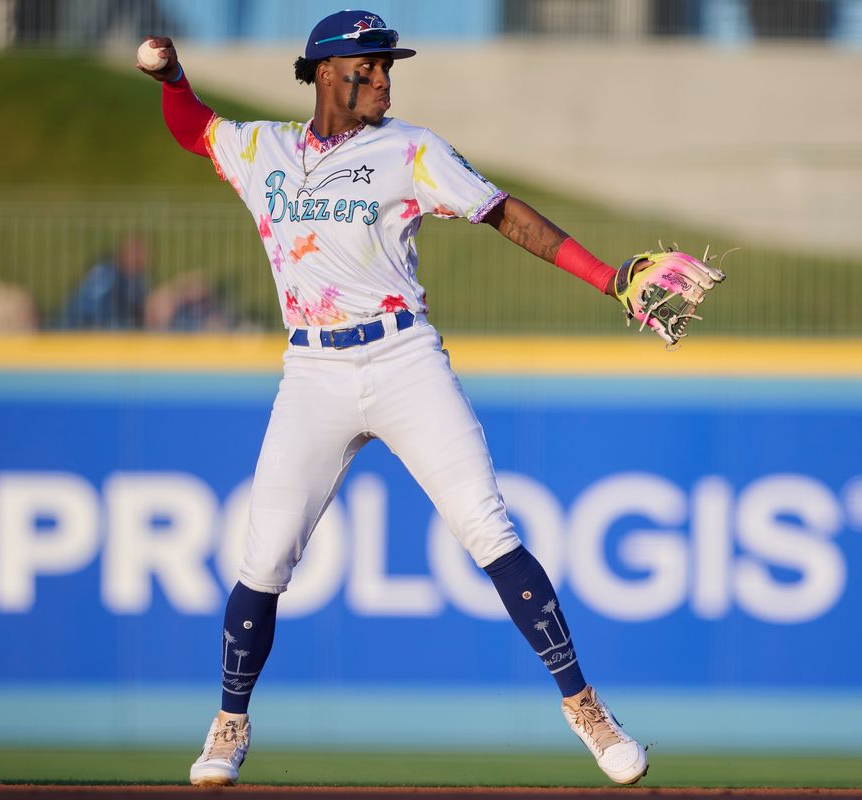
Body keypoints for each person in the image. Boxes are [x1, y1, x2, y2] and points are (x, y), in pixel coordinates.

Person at [140, 10, 648, 787]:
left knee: (488, 525)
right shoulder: (263, 150)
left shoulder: (410, 149)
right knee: (267, 552)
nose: (382, 78)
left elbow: (502, 212)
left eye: (387, 66)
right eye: (368, 66)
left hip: (402, 354)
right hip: (313, 371)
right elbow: (195, 129)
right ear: (322, 72)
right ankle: (230, 722)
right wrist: (173, 78)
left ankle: (584, 707)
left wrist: (608, 278)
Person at [57, 233, 151, 330]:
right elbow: (86, 306)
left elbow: (140, 307)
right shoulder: (105, 274)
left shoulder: (137, 280)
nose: (139, 260)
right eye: (135, 256)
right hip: (83, 328)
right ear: (123, 253)